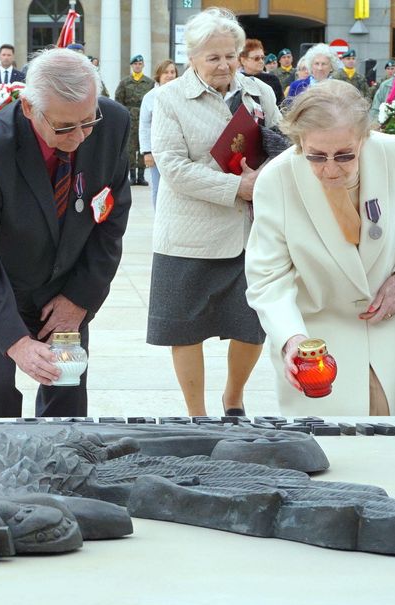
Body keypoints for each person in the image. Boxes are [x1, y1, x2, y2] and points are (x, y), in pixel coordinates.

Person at [0, 47, 131, 418]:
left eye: (87, 121)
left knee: (67, 388)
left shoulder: (112, 124)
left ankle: (65, 468)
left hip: (63, 285)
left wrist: (79, 297)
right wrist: (16, 341)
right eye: (63, 127)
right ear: (28, 108)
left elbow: (111, 220)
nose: (78, 138)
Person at [245, 80, 395, 415]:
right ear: (298, 143)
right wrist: (291, 338)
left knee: (391, 444)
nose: (330, 170)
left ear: (365, 137)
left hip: (388, 329)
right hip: (315, 342)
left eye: (345, 155)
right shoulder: (276, 180)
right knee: (326, 454)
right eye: (316, 156)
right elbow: (268, 277)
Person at [148, 8, 283, 417]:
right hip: (188, 235)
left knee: (251, 324)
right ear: (192, 58)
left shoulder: (260, 93)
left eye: (231, 55)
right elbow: (170, 166)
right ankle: (196, 414)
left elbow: (280, 146)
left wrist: (267, 173)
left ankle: (234, 398)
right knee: (184, 329)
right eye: (214, 57)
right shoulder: (168, 99)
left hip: (248, 233)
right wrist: (236, 186)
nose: (225, 64)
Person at [139, 59, 178, 208]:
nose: (170, 75)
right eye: (166, 72)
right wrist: (147, 152)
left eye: (172, 72)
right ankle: (159, 222)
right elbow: (144, 125)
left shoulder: (181, 93)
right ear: (159, 75)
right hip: (157, 151)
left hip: (178, 149)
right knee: (158, 188)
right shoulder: (150, 97)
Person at [114, 54, 155, 186]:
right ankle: (132, 175)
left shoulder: (149, 83)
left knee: (144, 146)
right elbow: (119, 100)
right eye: (135, 64)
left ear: (143, 65)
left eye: (140, 64)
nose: (137, 66)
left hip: (145, 118)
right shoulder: (125, 82)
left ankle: (141, 176)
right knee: (130, 148)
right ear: (132, 66)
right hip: (130, 118)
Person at [239, 40, 282, 108]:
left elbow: (281, 104)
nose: (261, 61)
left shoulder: (272, 79)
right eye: (256, 58)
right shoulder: (237, 81)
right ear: (243, 60)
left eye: (262, 58)